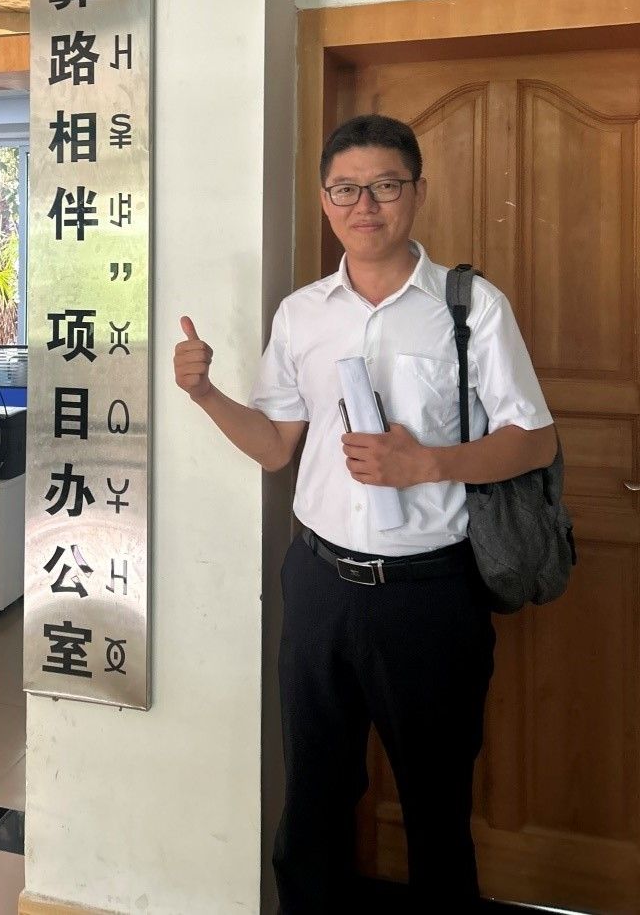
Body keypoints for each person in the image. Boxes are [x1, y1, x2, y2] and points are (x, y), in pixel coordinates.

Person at [173, 114, 556, 914]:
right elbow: (276, 446)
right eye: (346, 189)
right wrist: (205, 394)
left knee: (436, 811)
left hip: (431, 594)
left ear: (417, 191)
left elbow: (534, 439)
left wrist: (430, 463)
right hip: (319, 585)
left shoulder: (470, 306)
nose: (365, 205)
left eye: (385, 185)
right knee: (311, 802)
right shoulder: (301, 313)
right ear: (324, 200)